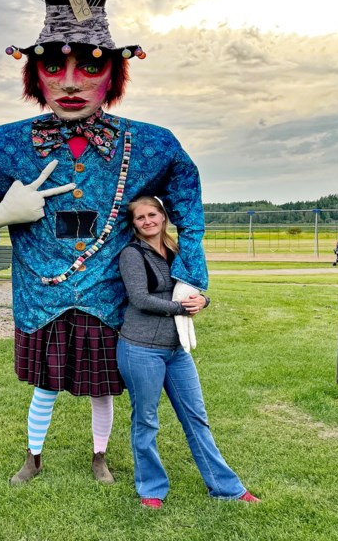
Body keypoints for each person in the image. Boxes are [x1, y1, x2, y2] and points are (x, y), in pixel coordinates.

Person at [0, 0, 208, 485]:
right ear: (32, 72)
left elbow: (190, 212)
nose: (69, 82)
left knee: (101, 387)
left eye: (90, 66)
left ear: (115, 72)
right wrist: (1, 214)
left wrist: (190, 280)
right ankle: (34, 457)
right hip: (40, 297)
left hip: (109, 296)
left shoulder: (152, 144)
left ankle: (99, 458)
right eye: (52, 65)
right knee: (44, 386)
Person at [118, 196, 259, 508]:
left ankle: (226, 487)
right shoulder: (132, 254)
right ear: (134, 224)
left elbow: (194, 287)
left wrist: (203, 302)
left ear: (164, 216)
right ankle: (151, 490)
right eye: (140, 217)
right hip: (140, 349)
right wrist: (181, 307)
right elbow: (140, 298)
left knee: (196, 417)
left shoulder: (179, 250)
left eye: (152, 214)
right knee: (146, 419)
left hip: (176, 349)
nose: (147, 221)